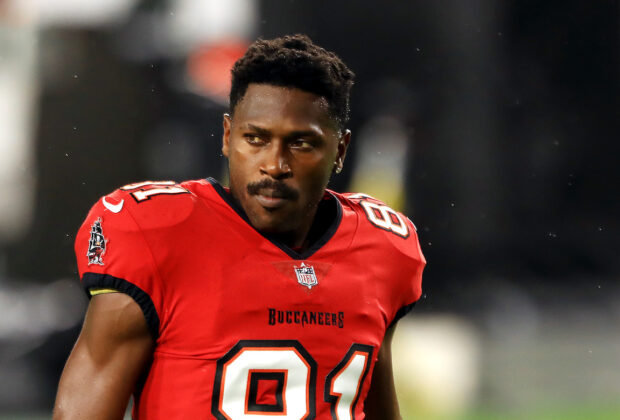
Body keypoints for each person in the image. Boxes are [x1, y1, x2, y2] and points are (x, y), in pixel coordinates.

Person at [54, 34, 425, 420]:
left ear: (340, 152)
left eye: (300, 144)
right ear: (228, 137)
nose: (275, 165)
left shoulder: (382, 246)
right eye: (256, 139)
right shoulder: (157, 233)